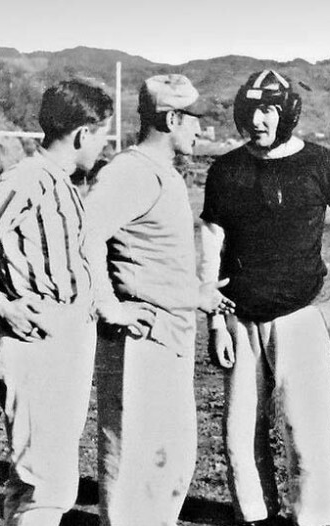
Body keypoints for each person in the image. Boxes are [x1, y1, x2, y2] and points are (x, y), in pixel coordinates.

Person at [200, 69, 330, 526]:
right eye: (252, 109)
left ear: (287, 114)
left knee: (306, 434)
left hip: (300, 319)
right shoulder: (226, 170)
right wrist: (216, 323)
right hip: (240, 321)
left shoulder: (319, 163)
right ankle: (255, 517)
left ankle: (317, 519)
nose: (259, 120)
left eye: (269, 110)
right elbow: (212, 241)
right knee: (240, 437)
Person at [0, 79, 114, 526]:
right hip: (39, 341)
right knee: (45, 485)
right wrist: (1, 304)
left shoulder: (59, 182)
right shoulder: (28, 179)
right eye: (103, 134)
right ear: (81, 134)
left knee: (37, 482)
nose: (104, 144)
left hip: (62, 336)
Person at [83, 74, 232, 526]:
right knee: (134, 470)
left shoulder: (160, 173)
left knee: (165, 467)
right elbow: (83, 237)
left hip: (166, 339)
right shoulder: (130, 172)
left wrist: (193, 295)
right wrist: (109, 304)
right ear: (170, 119)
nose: (200, 131)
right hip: (139, 342)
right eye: (194, 122)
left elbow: (154, 260)